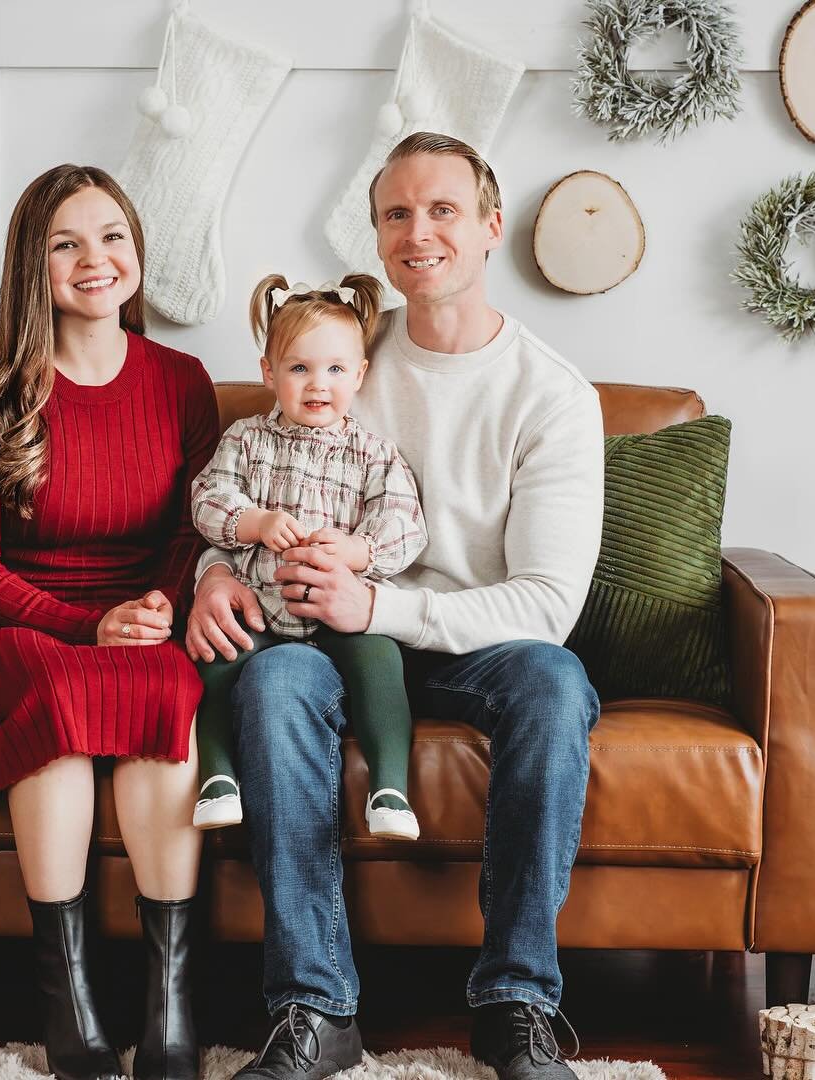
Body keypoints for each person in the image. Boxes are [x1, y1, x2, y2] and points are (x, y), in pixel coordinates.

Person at [187, 132, 606, 1080]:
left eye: (443, 209)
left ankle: (516, 1005)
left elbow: (545, 605)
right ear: (378, 239)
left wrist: (380, 605)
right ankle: (314, 1008)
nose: (419, 232)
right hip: (322, 635)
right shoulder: (335, 363)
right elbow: (246, 483)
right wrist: (213, 572)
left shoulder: (552, 398)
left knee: (555, 681)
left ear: (492, 227)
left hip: (474, 640)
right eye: (396, 214)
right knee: (274, 682)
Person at [0, 163, 218, 1080]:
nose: (95, 260)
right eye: (66, 243)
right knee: (60, 685)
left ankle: (170, 1010)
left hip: (142, 628)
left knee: (167, 681)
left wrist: (159, 608)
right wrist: (83, 624)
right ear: (32, 265)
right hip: (11, 633)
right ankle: (71, 1007)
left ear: (137, 253)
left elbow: (194, 527)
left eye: (112, 237)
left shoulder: (182, 380)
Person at [188, 272, 427, 840]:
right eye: (299, 368)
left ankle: (390, 787)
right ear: (269, 373)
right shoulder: (246, 440)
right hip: (261, 610)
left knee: (380, 661)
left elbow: (405, 524)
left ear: (360, 374)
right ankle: (217, 776)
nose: (318, 384)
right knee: (216, 657)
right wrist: (256, 521)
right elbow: (207, 500)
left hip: (341, 613)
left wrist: (359, 549)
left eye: (336, 369)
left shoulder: (373, 453)